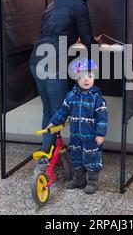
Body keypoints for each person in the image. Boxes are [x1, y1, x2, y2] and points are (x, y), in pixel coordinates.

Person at [30, 0, 100, 155]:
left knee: (49, 111)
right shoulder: (78, 4)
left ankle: (47, 154)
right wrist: (96, 51)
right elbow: (87, 37)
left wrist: (71, 38)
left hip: (36, 60)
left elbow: (52, 31)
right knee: (60, 112)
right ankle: (64, 157)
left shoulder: (52, 4)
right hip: (53, 62)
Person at [48, 59, 108, 194]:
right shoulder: (71, 96)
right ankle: (78, 179)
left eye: (90, 76)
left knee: (92, 157)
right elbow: (62, 111)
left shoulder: (97, 98)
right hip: (75, 134)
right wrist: (54, 122)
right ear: (76, 78)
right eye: (82, 77)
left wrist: (100, 133)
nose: (86, 80)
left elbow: (102, 118)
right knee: (75, 155)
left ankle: (93, 182)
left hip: (91, 136)